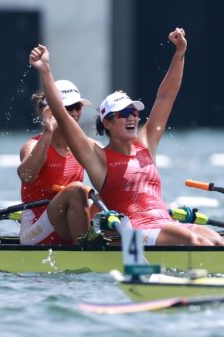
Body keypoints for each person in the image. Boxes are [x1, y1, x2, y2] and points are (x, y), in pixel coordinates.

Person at [30, 28, 224, 245]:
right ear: (107, 123)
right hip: (136, 229)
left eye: (134, 112)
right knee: (193, 240)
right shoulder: (98, 159)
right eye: (123, 114)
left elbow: (166, 96)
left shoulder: (146, 144)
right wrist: (45, 71)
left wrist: (179, 53)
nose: (132, 117)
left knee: (215, 239)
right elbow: (64, 118)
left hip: (165, 222)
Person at [18, 81, 92, 245]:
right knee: (77, 189)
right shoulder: (32, 146)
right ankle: (86, 251)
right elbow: (27, 176)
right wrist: (48, 131)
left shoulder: (83, 146)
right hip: (34, 231)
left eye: (77, 107)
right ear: (51, 111)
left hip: (66, 226)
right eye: (68, 108)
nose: (74, 113)